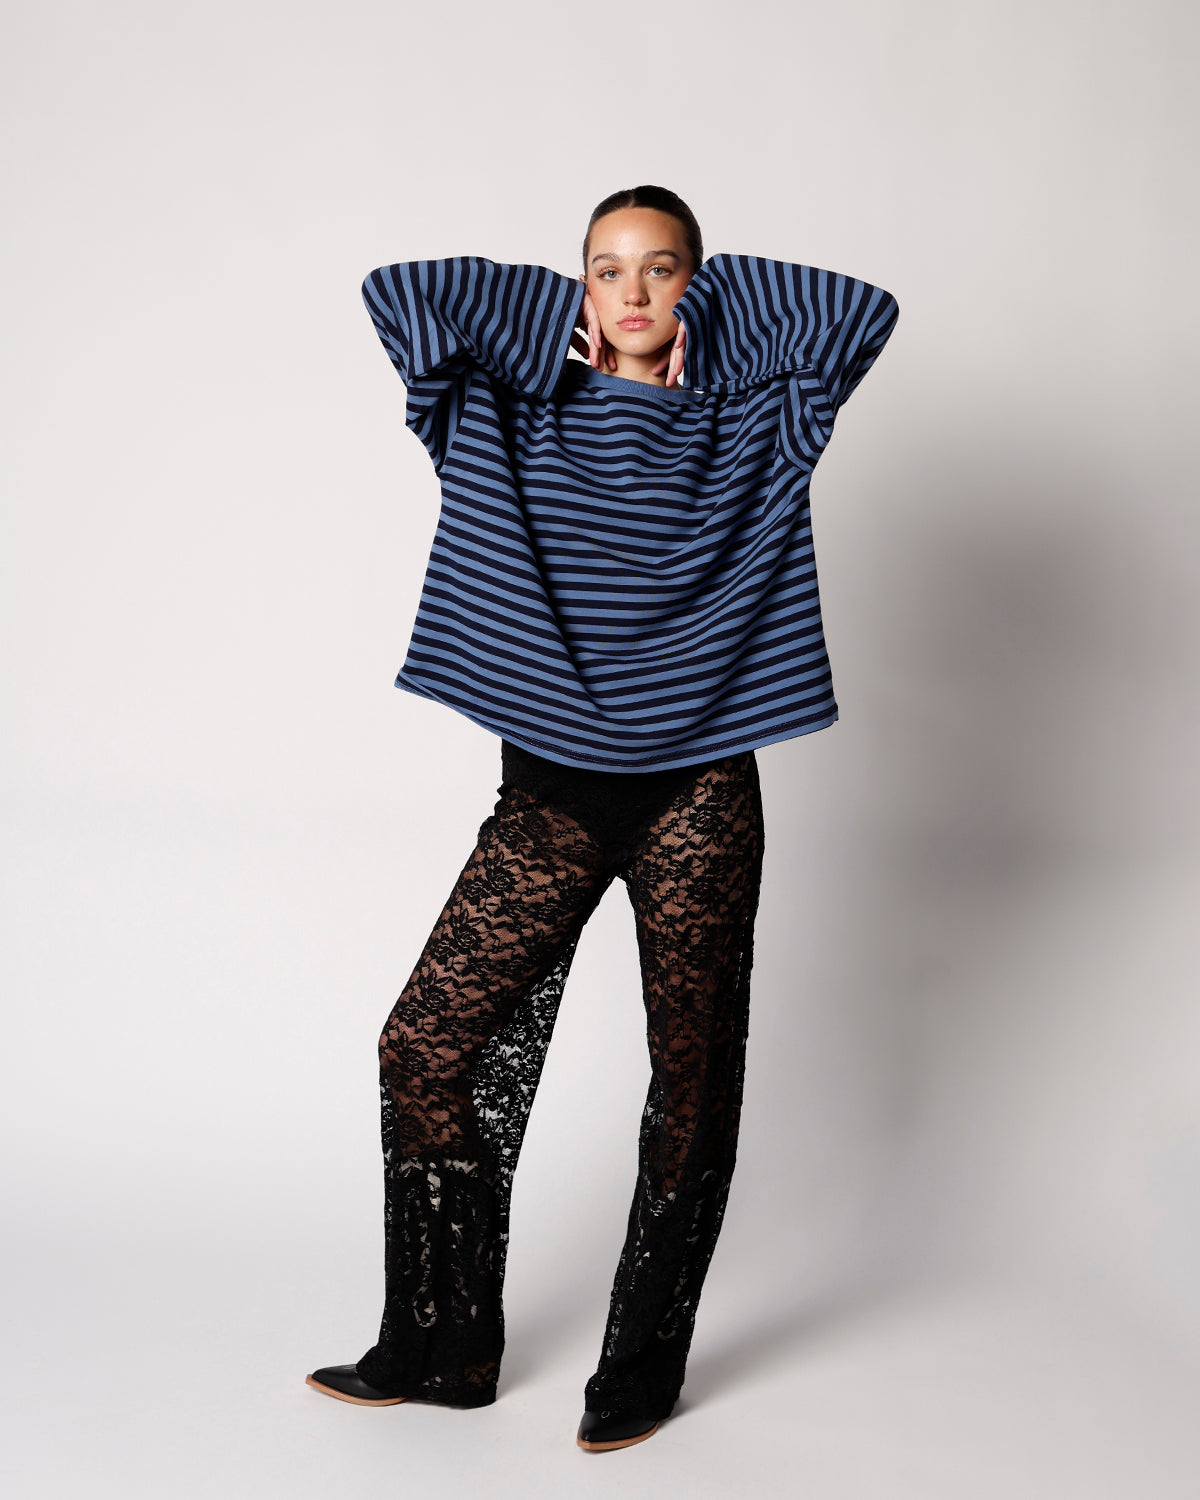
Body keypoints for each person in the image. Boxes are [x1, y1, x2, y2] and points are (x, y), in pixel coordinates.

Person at [306, 185, 899, 1452]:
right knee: (424, 1045)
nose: (633, 293)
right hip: (555, 798)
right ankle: (443, 1344)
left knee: (690, 1081)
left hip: (700, 796)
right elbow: (401, 294)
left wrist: (710, 326)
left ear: (700, 284)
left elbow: (859, 313)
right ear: (574, 287)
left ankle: (640, 1367)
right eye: (606, 270)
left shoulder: (763, 416)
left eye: (662, 268)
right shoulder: (504, 408)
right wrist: (556, 323)